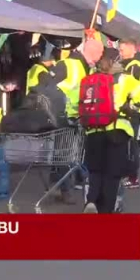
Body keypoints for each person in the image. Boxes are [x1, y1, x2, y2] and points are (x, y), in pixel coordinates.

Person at [41, 37, 104, 204]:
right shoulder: (68, 65)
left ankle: (60, 185)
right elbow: (46, 87)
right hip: (64, 118)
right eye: (100, 53)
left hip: (75, 118)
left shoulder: (87, 68)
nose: (101, 56)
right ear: (94, 52)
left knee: (66, 153)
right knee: (64, 153)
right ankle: (64, 189)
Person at [83, 56, 140, 213]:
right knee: (112, 174)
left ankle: (91, 201)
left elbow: (76, 102)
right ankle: (107, 210)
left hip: (93, 130)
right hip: (117, 131)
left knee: (95, 171)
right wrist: (130, 107)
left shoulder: (89, 80)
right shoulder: (124, 79)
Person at [118, 39, 140, 188]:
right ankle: (130, 176)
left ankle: (132, 177)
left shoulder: (134, 66)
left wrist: (126, 104)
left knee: (130, 144)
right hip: (136, 108)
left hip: (131, 108)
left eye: (122, 50)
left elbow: (127, 88)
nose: (120, 53)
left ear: (132, 49)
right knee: (130, 143)